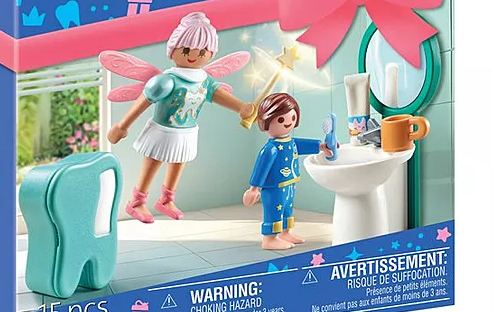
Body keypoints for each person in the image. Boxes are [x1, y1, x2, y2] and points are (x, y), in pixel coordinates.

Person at [103, 13, 253, 222]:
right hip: (162, 131)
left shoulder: (205, 80)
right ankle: (136, 202)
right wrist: (122, 125)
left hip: (187, 131)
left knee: (179, 161)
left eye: (202, 52)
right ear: (173, 49)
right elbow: (143, 101)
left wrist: (241, 107)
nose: (193, 56)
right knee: (154, 161)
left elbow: (219, 95)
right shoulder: (166, 80)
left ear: (210, 53)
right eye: (186, 50)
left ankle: (166, 199)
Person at [243, 93, 330, 250]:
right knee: (274, 211)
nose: (288, 122)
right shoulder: (270, 149)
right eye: (281, 120)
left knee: (287, 209)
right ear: (266, 121)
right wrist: (253, 189)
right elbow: (261, 168)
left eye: (292, 117)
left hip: (289, 183)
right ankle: (269, 239)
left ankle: (285, 232)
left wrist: (321, 146)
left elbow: (304, 145)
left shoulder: (291, 142)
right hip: (274, 187)